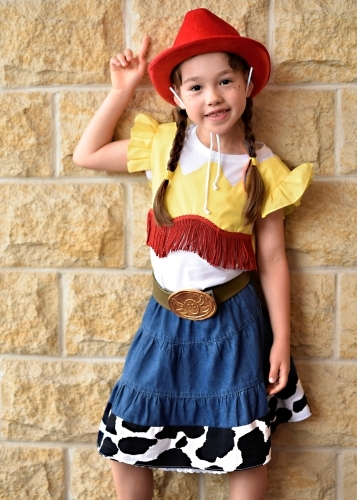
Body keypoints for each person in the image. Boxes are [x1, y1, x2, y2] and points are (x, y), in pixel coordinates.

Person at [74, 8, 313, 500]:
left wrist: (282, 340)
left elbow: (271, 260)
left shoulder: (263, 169)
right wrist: (122, 88)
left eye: (225, 80)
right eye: (197, 87)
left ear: (246, 84)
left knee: (243, 445)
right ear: (177, 98)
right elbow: (88, 154)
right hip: (164, 318)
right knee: (127, 441)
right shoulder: (164, 146)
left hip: (235, 321)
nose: (214, 97)